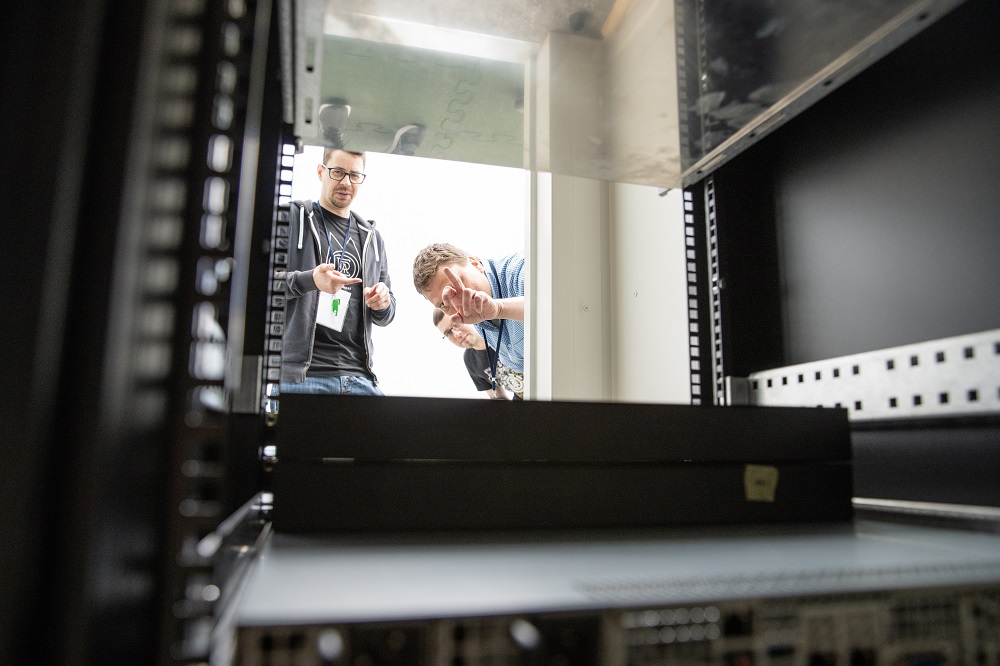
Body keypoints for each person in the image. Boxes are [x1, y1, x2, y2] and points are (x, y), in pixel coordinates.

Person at [277, 148, 396, 395]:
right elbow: (260, 286)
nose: (345, 182)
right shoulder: (292, 218)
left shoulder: (372, 238)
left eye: (354, 175)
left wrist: (382, 302)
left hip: (360, 377)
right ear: (321, 172)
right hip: (303, 378)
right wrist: (310, 280)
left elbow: (387, 315)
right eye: (338, 172)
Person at [413, 243, 525, 393]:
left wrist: (499, 309)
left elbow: (561, 306)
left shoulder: (521, 269)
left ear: (474, 264)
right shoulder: (480, 322)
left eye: (457, 286)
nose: (459, 306)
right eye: (443, 304)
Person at [433, 309, 523, 400]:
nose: (456, 334)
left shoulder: (498, 330)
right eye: (448, 333)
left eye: (457, 324)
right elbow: (497, 398)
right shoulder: (470, 361)